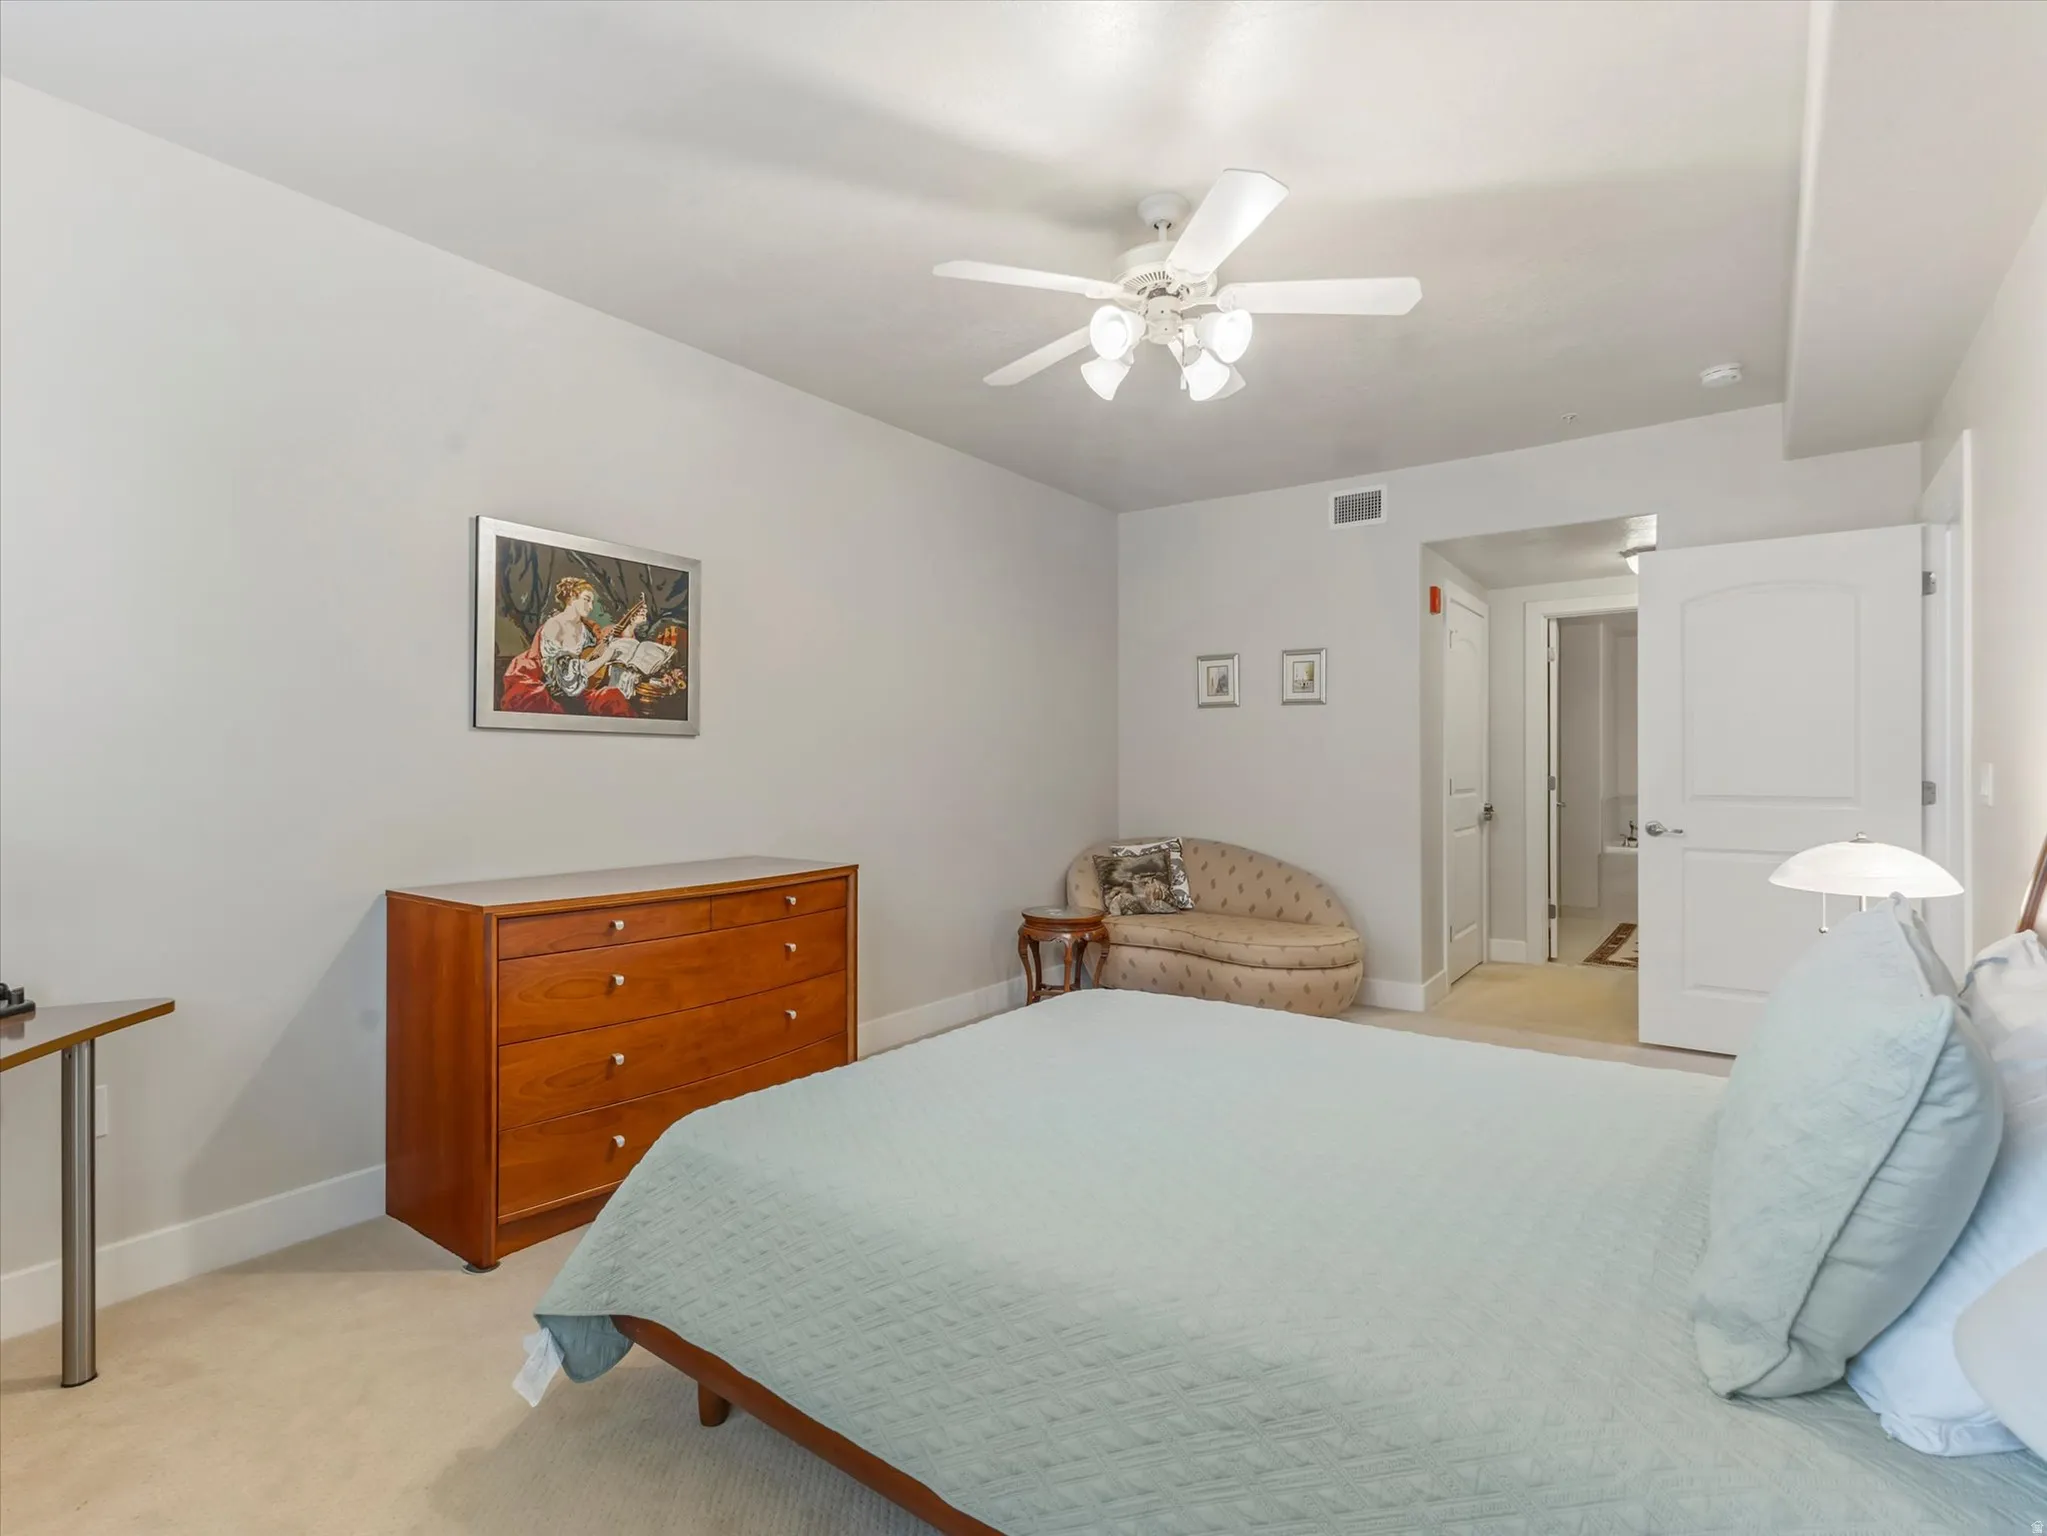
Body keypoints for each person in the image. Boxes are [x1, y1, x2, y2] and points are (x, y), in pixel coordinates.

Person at [498, 577, 639, 716]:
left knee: (612, 698)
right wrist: (606, 657)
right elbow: (563, 676)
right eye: (586, 600)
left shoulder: (587, 629)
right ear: (572, 596)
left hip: (581, 691)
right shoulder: (555, 625)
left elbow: (593, 655)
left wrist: (631, 627)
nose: (590, 607)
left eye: (592, 602)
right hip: (555, 692)